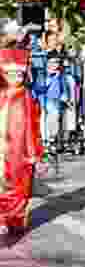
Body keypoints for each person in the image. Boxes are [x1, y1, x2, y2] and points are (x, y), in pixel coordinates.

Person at [0, 25, 44, 236]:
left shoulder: (27, 97)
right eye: (10, 73)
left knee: (20, 180)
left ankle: (15, 218)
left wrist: (34, 151)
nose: (16, 77)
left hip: (19, 148)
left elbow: (33, 124)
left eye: (20, 73)